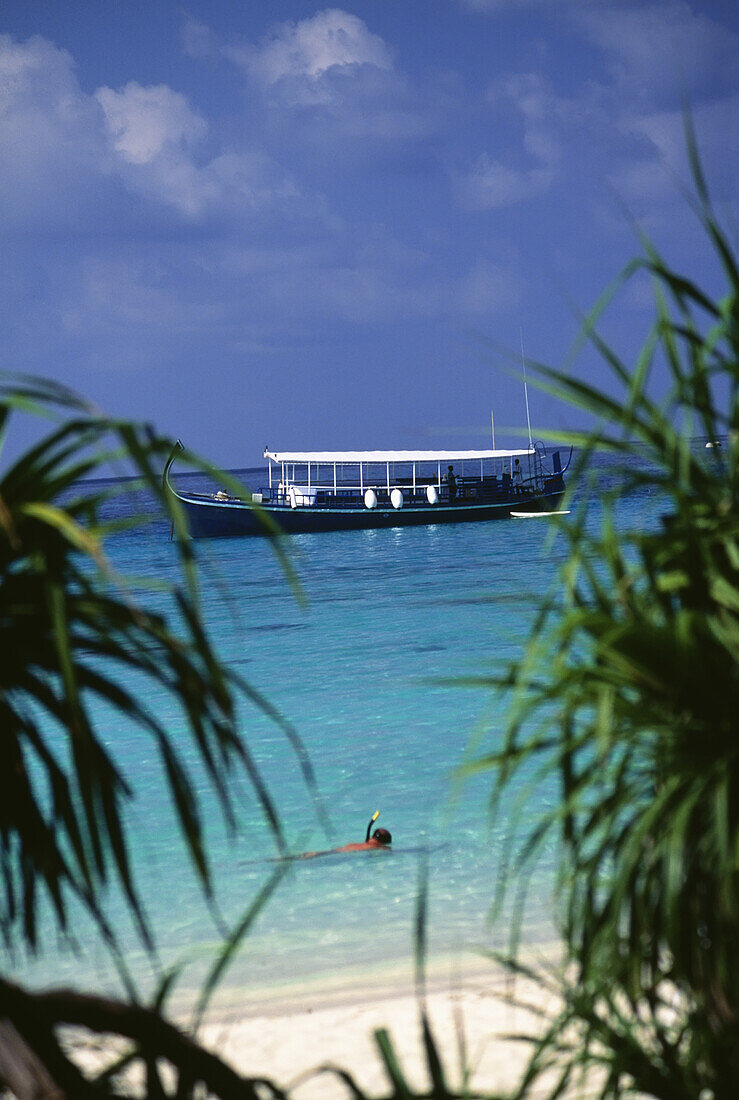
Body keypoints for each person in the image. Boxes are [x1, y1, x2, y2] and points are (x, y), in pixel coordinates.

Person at [294, 812, 392, 859]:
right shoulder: (378, 847)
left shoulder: (357, 844)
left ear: (371, 837)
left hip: (334, 852)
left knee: (297, 857)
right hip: (337, 857)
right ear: (383, 843)